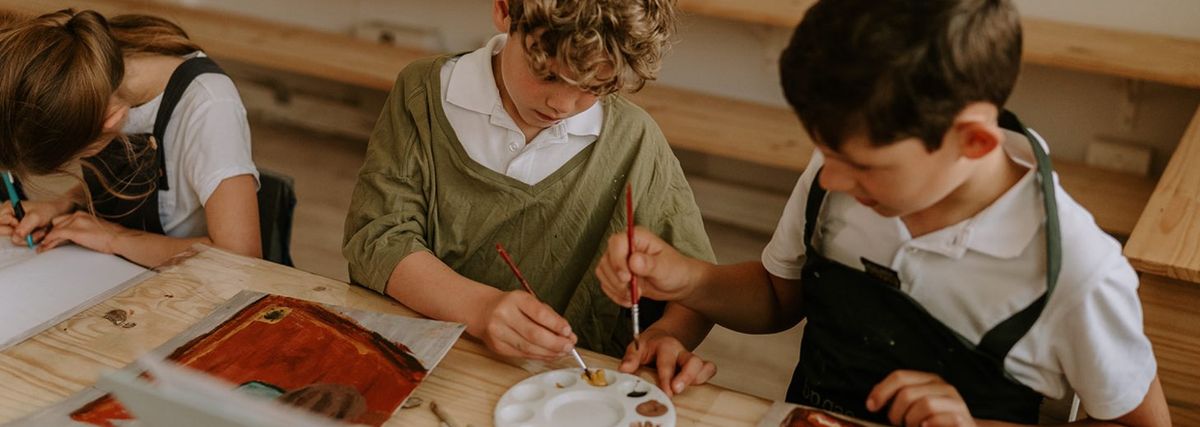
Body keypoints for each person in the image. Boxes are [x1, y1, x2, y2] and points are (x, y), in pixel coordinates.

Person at [595, 0, 1171, 424]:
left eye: (862, 165)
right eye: (826, 152)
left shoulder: (1078, 272)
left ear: (972, 142)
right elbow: (777, 296)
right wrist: (688, 278)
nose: (832, 178)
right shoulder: (841, 172)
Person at [343, 0, 717, 395]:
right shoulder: (425, 92)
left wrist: (666, 335)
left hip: (570, 395)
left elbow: (700, 287)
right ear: (505, 11)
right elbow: (378, 239)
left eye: (592, 87)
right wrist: (479, 308)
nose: (563, 105)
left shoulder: (635, 140)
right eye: (549, 75)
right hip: (424, 367)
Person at [0, 9, 261, 267]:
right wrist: (62, 205)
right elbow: (126, 176)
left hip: (187, 288)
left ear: (110, 120)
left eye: (80, 153)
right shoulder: (90, 68)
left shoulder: (210, 106)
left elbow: (240, 256)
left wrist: (117, 238)